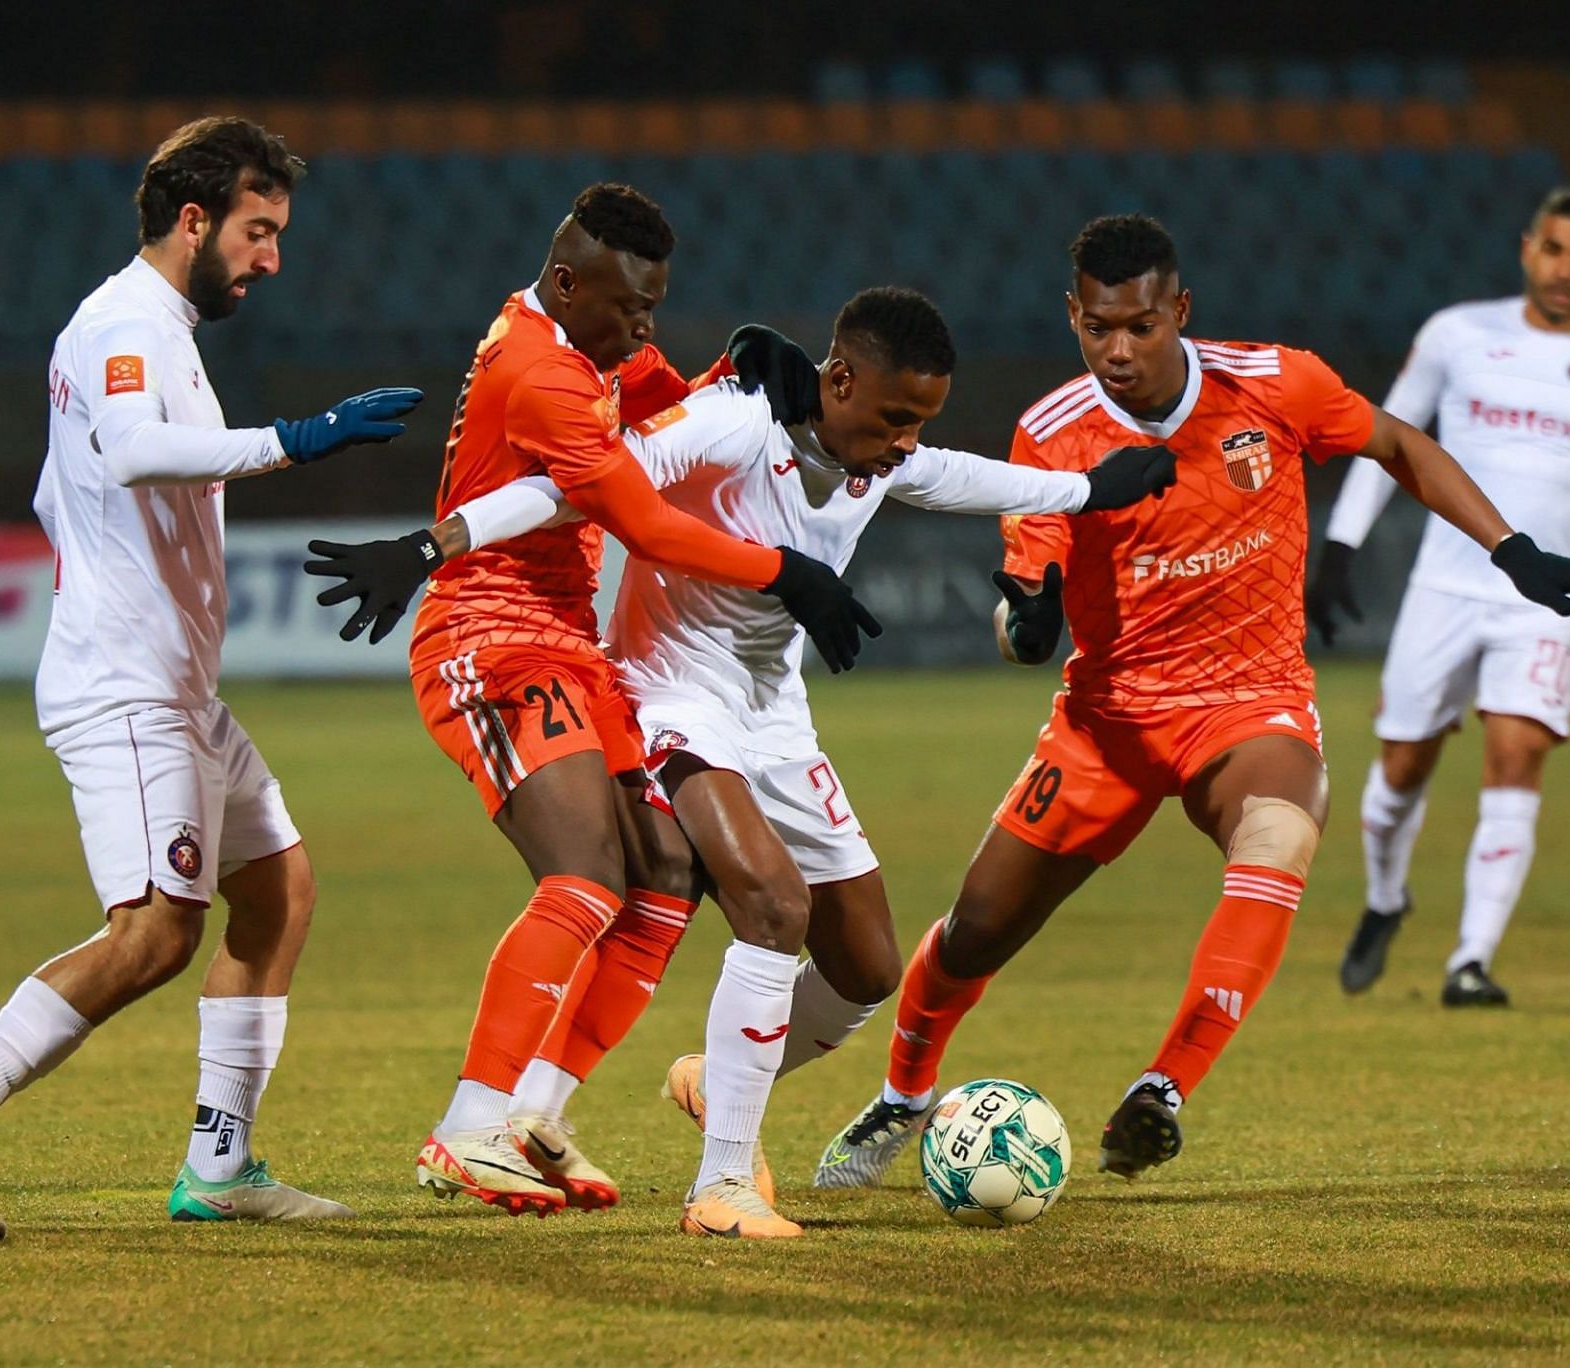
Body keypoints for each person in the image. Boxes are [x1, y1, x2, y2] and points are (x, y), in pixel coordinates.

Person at [815, 214, 1570, 1188]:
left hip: (1250, 702)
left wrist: (1515, 551)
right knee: (979, 927)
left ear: (1179, 312)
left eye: (1141, 326)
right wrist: (1027, 624)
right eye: (1099, 327)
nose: (1119, 349)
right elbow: (1025, 593)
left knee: (1279, 836)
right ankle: (903, 1095)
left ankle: (1164, 1090)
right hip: (1106, 726)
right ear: (1074, 315)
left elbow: (1401, 446)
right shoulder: (1054, 431)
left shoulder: (1275, 384)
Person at [439, 286, 1176, 1236]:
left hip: (776, 717)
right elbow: (586, 480)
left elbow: (963, 476)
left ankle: (717, 1075)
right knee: (773, 909)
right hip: (671, 693)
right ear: (838, 380)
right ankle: (721, 1189)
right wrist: (439, 539)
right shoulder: (732, 420)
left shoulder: (881, 456)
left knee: (867, 967)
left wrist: (1089, 491)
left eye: (920, 420)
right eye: (894, 416)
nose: (906, 439)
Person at [0, 116, 425, 1240]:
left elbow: (56, 485)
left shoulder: (155, 329)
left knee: (278, 889)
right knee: (155, 931)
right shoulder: (124, 321)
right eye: (258, 231)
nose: (271, 257)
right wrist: (299, 438)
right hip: (126, 686)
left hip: (176, 687)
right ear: (193, 220)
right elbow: (125, 449)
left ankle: (219, 1169)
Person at [301, 184, 874, 1216]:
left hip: (571, 640)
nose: (644, 327)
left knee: (664, 874)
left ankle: (533, 1115)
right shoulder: (541, 374)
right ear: (568, 283)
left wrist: (747, 375)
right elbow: (646, 524)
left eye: (656, 305)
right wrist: (781, 568)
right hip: (491, 634)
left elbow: (670, 401)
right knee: (585, 874)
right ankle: (469, 1127)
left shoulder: (590, 344)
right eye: (630, 307)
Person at [1309, 187, 1570, 1006]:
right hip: (1445, 585)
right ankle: (1384, 899)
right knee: (1403, 762)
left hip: (1544, 599)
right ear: (1527, 248)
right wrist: (1339, 548)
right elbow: (1388, 436)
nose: (1565, 269)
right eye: (1554, 249)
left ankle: (1469, 961)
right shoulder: (1458, 335)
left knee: (1517, 755)